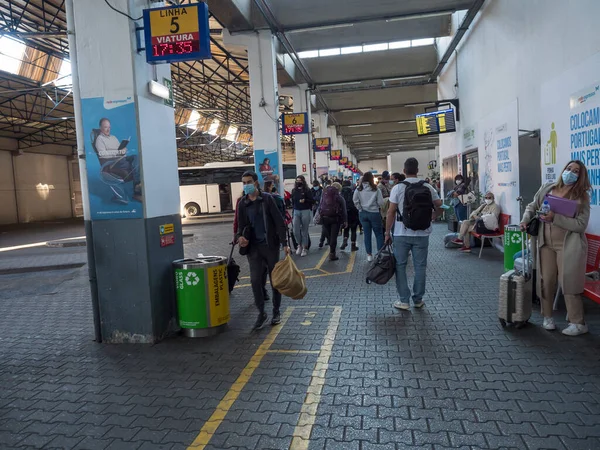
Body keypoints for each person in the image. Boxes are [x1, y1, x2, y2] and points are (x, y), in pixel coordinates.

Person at [520, 160, 591, 336]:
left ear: (580, 176)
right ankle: (547, 317)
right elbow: (532, 206)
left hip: (569, 245)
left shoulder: (581, 196)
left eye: (575, 171)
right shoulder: (548, 188)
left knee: (569, 282)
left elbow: (581, 225)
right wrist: (525, 219)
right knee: (546, 280)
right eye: (568, 169)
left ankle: (578, 323)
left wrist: (555, 218)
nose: (570, 173)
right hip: (546, 243)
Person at [385, 158, 443, 310]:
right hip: (423, 233)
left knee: (400, 266)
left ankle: (404, 300)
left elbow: (391, 212)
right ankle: (418, 299)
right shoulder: (428, 187)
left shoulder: (397, 188)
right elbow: (440, 206)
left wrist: (387, 232)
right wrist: (433, 216)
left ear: (404, 171)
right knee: (420, 267)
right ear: (417, 170)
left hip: (400, 233)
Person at [236, 171, 290, 330]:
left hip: (270, 246)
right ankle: (261, 312)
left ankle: (276, 311)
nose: (246, 185)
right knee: (255, 281)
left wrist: (285, 243)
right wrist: (240, 237)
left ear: (256, 183)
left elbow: (280, 222)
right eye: (244, 182)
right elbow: (240, 227)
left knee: (275, 280)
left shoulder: (267, 200)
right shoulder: (242, 203)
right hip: (253, 249)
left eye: (248, 182)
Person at [95, 118, 141, 202]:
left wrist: (123, 150)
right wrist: (117, 152)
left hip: (121, 158)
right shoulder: (99, 139)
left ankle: (137, 185)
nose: (108, 129)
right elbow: (102, 153)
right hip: (111, 162)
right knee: (131, 164)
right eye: (105, 127)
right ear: (100, 128)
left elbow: (120, 149)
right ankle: (137, 190)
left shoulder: (113, 137)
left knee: (137, 157)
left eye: (109, 127)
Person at [353, 172, 385, 262]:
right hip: (374, 213)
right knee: (378, 234)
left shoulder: (358, 189)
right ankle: (379, 254)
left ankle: (369, 255)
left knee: (367, 235)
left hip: (363, 214)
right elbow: (381, 203)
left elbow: (355, 200)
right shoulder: (376, 189)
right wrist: (376, 206)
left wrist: (360, 208)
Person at [318, 182, 347, 261]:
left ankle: (330, 246)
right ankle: (332, 254)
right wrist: (345, 221)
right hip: (335, 219)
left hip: (324, 218)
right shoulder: (339, 197)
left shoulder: (324, 195)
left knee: (329, 236)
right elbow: (344, 210)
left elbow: (320, 206)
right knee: (334, 237)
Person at [291, 175, 314, 257]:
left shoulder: (307, 190)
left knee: (304, 231)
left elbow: (312, 200)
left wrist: (305, 200)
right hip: (296, 211)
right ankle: (299, 245)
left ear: (303, 181)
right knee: (295, 230)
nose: (298, 182)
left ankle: (304, 247)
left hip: (305, 210)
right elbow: (293, 201)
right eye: (297, 180)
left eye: (300, 180)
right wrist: (293, 211)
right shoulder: (294, 190)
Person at [341, 180, 359, 252]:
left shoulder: (340, 193)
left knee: (346, 228)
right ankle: (353, 245)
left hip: (344, 212)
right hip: (353, 212)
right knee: (353, 229)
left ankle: (345, 240)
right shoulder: (353, 192)